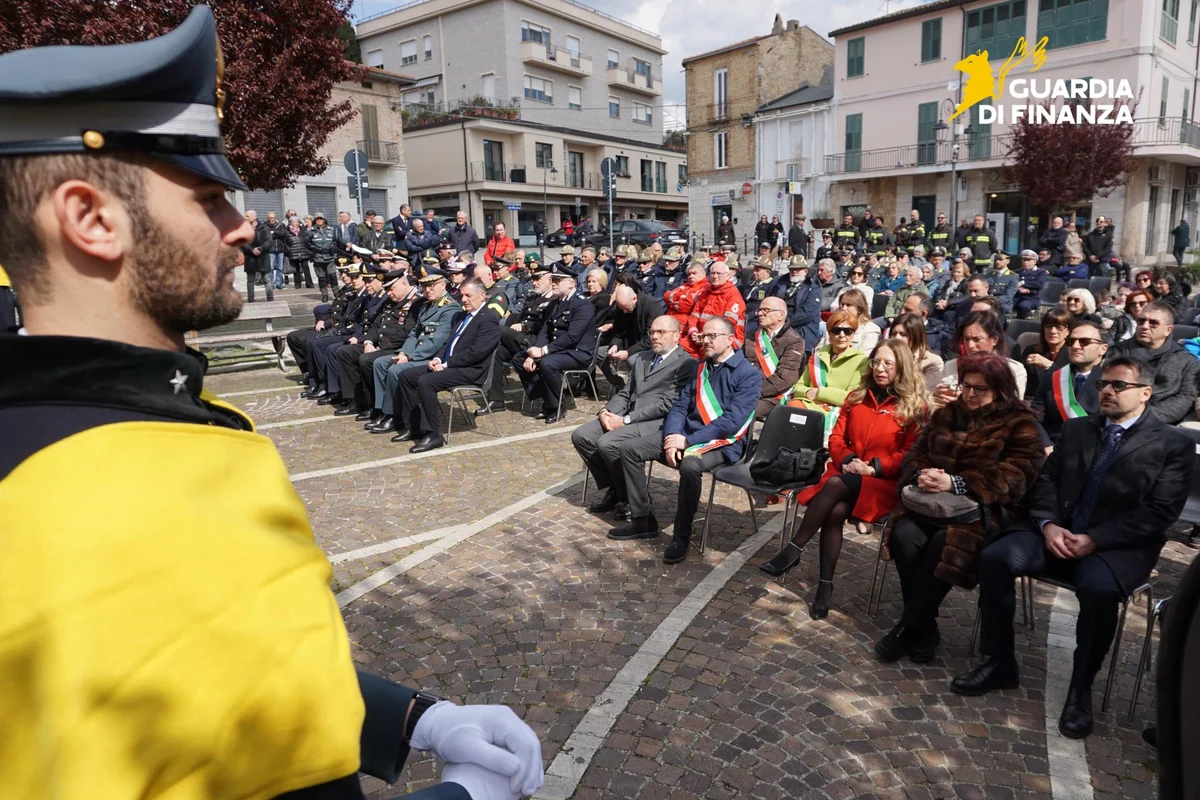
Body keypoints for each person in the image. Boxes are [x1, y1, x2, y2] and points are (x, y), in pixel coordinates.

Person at [0, 9, 544, 799]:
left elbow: (237, 675)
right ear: (91, 219)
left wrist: (412, 719)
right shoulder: (48, 497)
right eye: (209, 197)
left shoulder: (154, 419)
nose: (244, 223)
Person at [965, 355, 1194, 739]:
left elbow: (1160, 513)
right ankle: (1000, 661)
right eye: (1105, 383)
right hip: (1057, 531)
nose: (1106, 390)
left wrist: (1096, 539)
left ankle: (1080, 690)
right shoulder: (1077, 429)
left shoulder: (1172, 445)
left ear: (1145, 393)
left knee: (1098, 590)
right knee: (995, 557)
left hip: (1117, 546)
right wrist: (1049, 524)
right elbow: (1046, 483)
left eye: (1118, 385)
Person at [875, 353, 1046, 664]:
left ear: (1000, 389)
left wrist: (957, 483)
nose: (970, 393)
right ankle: (924, 628)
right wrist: (920, 474)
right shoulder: (948, 414)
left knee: (945, 543)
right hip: (931, 506)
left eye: (980, 389)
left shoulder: (1020, 425)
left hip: (983, 513)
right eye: (966, 386)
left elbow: (1016, 478)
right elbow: (917, 453)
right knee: (903, 533)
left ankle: (908, 626)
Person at [762, 339, 929, 616]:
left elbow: (910, 454)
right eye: (877, 362)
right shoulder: (856, 397)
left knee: (836, 486)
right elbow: (837, 438)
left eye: (889, 363)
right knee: (835, 510)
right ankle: (824, 587)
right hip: (846, 472)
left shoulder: (914, 407)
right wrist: (848, 460)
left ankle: (794, 547)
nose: (881, 369)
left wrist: (873, 468)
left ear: (903, 367)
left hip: (882, 483)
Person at [649, 318, 763, 562]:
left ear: (730, 339)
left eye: (712, 336)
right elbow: (680, 406)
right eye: (704, 335)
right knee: (631, 447)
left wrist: (687, 441)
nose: (706, 341)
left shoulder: (749, 375)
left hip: (725, 443)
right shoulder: (701, 367)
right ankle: (638, 515)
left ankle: (681, 534)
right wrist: (672, 436)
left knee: (690, 465)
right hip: (687, 435)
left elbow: (732, 422)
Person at [573, 316, 695, 521]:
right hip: (628, 416)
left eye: (661, 332)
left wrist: (626, 420)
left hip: (656, 423)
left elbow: (668, 404)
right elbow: (626, 392)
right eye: (652, 332)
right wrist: (606, 411)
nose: (655, 337)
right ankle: (616, 489)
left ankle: (634, 499)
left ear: (677, 336)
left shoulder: (687, 364)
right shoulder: (642, 358)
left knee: (608, 443)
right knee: (582, 435)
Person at [393, 278, 501, 452]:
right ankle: (415, 426)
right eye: (462, 295)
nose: (464, 299)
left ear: (482, 296)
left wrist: (446, 365)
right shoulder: (462, 315)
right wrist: (437, 359)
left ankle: (433, 435)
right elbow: (447, 343)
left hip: (471, 370)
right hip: (452, 365)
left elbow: (477, 353)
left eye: (468, 296)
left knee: (426, 381)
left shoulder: (488, 318)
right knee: (407, 375)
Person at [369, 266, 462, 434]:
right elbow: (414, 334)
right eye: (425, 286)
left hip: (434, 358)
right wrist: (404, 352)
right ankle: (384, 410)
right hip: (417, 354)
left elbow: (436, 341)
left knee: (396, 370)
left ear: (443, 285)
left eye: (432, 285)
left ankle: (395, 416)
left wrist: (410, 357)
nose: (427, 290)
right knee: (380, 363)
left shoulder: (450, 309)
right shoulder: (427, 306)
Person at [515, 264, 597, 424]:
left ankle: (557, 406)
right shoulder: (555, 303)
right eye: (553, 279)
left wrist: (544, 351)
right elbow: (545, 331)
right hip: (559, 350)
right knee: (520, 358)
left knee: (547, 363)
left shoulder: (582, 304)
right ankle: (548, 399)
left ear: (571, 283)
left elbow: (572, 337)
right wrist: (535, 351)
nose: (553, 283)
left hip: (578, 352)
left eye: (558, 280)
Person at [339, 271, 422, 423]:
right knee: (346, 352)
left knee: (367, 360)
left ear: (404, 284)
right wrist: (369, 342)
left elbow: (408, 331)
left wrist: (381, 346)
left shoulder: (416, 302)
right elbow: (376, 324)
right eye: (387, 289)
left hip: (397, 347)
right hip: (379, 345)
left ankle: (378, 406)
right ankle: (358, 400)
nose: (389, 293)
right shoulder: (389, 301)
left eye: (392, 289)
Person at [478, 262, 556, 415]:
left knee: (496, 329)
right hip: (520, 339)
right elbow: (519, 317)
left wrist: (524, 327)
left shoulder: (554, 299)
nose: (534, 282)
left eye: (539, 279)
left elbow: (546, 327)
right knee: (496, 352)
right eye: (533, 279)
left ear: (551, 280)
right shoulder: (532, 296)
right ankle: (496, 400)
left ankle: (547, 398)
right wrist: (517, 323)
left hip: (537, 340)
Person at [785, 310, 870, 440]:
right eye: (836, 330)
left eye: (848, 331)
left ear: (853, 334)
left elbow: (852, 396)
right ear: (829, 333)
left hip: (838, 410)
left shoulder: (861, 361)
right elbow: (799, 387)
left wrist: (819, 393)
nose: (842, 335)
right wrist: (809, 393)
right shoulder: (818, 356)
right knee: (793, 407)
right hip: (812, 404)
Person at [1111, 301, 1200, 424]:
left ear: (1168, 330)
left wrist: (1141, 418)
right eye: (1141, 321)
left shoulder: (1186, 361)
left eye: (1153, 323)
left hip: (1160, 425)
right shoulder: (1117, 353)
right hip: (1115, 417)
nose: (1145, 326)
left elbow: (1186, 397)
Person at [1035, 319, 1109, 444]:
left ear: (1103, 349)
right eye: (1071, 341)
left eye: (1084, 341)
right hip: (1053, 447)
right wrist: (1046, 445)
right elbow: (1035, 418)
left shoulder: (1112, 381)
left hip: (1093, 448)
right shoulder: (1053, 377)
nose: (1075, 346)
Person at [938, 310, 1028, 402]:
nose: (970, 345)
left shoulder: (1013, 370)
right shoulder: (951, 366)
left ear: (994, 340)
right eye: (966, 339)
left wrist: (964, 401)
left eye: (977, 339)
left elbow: (1013, 409)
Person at [744, 296, 807, 419]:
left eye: (766, 310)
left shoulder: (795, 341)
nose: (760, 314)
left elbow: (784, 379)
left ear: (781, 315)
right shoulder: (751, 338)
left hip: (771, 396)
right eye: (759, 310)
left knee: (740, 409)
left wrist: (752, 392)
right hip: (746, 390)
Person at [600, 284, 661, 393]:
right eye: (621, 308)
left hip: (647, 348)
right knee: (599, 354)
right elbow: (619, 331)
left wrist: (628, 352)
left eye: (626, 308)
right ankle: (619, 385)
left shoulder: (652, 306)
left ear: (634, 298)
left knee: (632, 361)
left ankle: (637, 391)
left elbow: (650, 338)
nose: (624, 312)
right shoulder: (622, 307)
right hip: (627, 344)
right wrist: (615, 345)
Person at [680, 259, 746, 358]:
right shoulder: (705, 291)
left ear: (727, 276)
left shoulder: (733, 294)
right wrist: (693, 332)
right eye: (713, 273)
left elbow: (728, 325)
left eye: (719, 273)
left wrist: (705, 335)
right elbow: (694, 315)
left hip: (723, 338)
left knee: (703, 357)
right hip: (701, 336)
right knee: (677, 349)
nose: (715, 276)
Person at [1020, 308, 1073, 402]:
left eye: (1059, 327)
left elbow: (1072, 383)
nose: (1052, 331)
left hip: (1061, 403)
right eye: (1048, 326)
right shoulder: (1031, 350)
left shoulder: (1074, 354)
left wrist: (1050, 366)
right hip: (1031, 402)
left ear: (1068, 331)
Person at [888, 313, 944, 393]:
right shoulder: (883, 357)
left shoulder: (932, 361)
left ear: (916, 337)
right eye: (894, 334)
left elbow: (925, 393)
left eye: (903, 334)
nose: (897, 338)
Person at [819, 289, 880, 354]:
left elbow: (866, 356)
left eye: (848, 305)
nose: (844, 308)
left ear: (859, 308)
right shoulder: (833, 324)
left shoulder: (870, 329)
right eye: (842, 304)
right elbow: (820, 349)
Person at [664, 259, 709, 327]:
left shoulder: (705, 288)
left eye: (694, 273)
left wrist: (674, 300)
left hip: (684, 325)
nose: (691, 276)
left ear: (703, 273)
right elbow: (666, 296)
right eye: (689, 274)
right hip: (670, 320)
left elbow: (685, 306)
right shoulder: (685, 285)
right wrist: (681, 297)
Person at [240, 209, 272, 302]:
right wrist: (251, 250)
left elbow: (269, 241)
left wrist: (260, 249)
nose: (245, 217)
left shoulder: (264, 227)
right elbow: (242, 242)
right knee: (250, 280)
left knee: (266, 279)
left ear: (254, 217)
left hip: (263, 257)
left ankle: (270, 298)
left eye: (247, 216)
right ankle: (251, 299)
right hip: (250, 258)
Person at [307, 213, 339, 301]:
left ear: (324, 220)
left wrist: (334, 250)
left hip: (330, 257)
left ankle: (336, 293)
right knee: (321, 278)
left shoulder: (331, 230)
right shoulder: (310, 231)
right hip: (318, 258)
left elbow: (336, 241)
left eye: (321, 219)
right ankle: (324, 294)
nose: (319, 220)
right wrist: (311, 253)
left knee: (332, 275)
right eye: (317, 219)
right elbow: (306, 244)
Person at [1013, 249, 1048, 318]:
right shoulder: (1017, 272)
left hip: (1031, 298)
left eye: (1028, 260)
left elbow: (1040, 283)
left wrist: (1023, 283)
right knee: (1002, 305)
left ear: (1035, 261)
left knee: (1023, 306)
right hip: (1016, 297)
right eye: (1024, 260)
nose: (1026, 262)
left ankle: (1019, 324)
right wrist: (1019, 288)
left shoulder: (1040, 272)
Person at [282, 214, 315, 290]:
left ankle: (309, 284)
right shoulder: (287, 232)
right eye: (295, 222)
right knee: (296, 270)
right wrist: (288, 250)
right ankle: (297, 284)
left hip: (303, 251)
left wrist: (308, 249)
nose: (297, 223)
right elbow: (284, 242)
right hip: (293, 252)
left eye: (297, 221)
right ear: (290, 223)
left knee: (306, 268)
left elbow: (307, 240)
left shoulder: (303, 230)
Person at [264, 211, 287, 290]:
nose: (272, 219)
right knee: (270, 268)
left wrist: (274, 232)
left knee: (280, 268)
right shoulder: (265, 226)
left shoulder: (280, 225)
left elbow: (284, 234)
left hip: (280, 249)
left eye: (274, 218)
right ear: (268, 218)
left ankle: (279, 283)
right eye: (271, 218)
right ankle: (271, 284)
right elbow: (267, 236)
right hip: (270, 250)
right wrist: (277, 234)